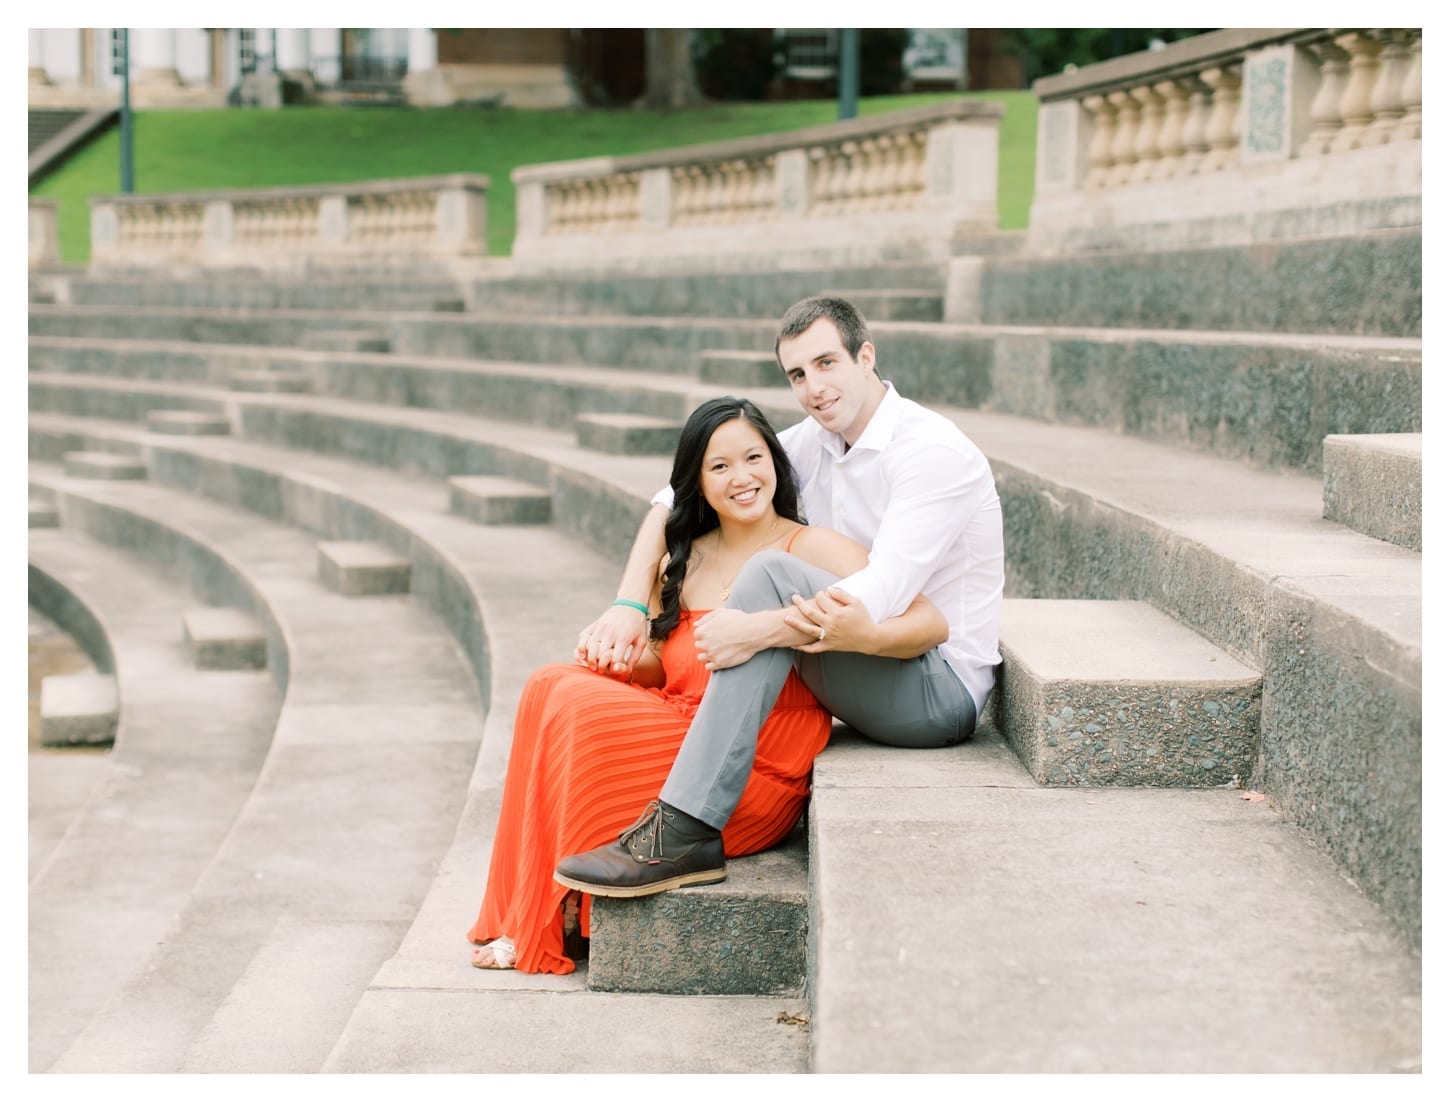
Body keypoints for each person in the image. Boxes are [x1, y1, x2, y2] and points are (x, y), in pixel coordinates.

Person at [466, 395, 947, 972]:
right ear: (695, 481)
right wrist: (617, 658)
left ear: (775, 463)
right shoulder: (683, 557)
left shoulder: (809, 546)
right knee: (552, 683)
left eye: (754, 458)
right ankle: (539, 905)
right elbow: (665, 666)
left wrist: (847, 631)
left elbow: (923, 615)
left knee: (577, 705)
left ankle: (558, 915)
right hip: (677, 717)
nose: (742, 478)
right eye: (720, 467)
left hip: (753, 755)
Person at [556, 295, 1003, 899]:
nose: (814, 388)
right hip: (859, 663)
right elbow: (673, 498)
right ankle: (678, 819)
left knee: (770, 571)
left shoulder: (932, 453)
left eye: (826, 363)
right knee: (764, 571)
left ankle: (687, 825)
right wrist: (630, 603)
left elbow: (882, 595)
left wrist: (758, 630)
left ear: (865, 357)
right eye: (797, 374)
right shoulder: (818, 440)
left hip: (934, 688)